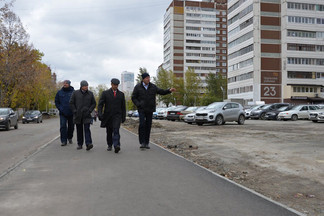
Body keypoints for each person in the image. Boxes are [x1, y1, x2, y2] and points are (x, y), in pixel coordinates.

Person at [132, 72, 175, 149]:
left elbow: (161, 92)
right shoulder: (138, 87)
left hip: (150, 109)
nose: (148, 79)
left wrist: (169, 90)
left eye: (149, 77)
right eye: (147, 78)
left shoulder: (153, 86)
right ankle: (142, 142)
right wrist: (138, 104)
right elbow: (133, 97)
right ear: (143, 79)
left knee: (148, 125)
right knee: (142, 124)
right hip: (141, 109)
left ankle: (147, 142)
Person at [98, 78, 126, 153]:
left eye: (117, 85)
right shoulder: (105, 93)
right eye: (114, 85)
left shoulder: (121, 94)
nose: (115, 86)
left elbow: (123, 107)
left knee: (116, 130)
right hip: (108, 116)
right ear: (111, 84)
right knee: (109, 131)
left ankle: (117, 145)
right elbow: (100, 105)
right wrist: (100, 114)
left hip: (117, 116)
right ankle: (109, 144)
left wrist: (123, 116)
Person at [69, 80, 96, 151]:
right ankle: (80, 144)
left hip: (87, 114)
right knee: (79, 130)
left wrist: (90, 110)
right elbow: (71, 103)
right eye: (84, 86)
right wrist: (74, 111)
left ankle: (88, 144)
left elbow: (93, 103)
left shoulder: (90, 94)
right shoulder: (75, 93)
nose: (86, 87)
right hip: (78, 115)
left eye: (87, 86)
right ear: (81, 86)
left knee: (87, 129)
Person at [55, 80, 75, 146]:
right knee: (63, 126)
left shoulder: (73, 92)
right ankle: (63, 141)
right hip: (63, 113)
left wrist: (74, 109)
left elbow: (76, 101)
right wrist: (60, 108)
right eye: (64, 83)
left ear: (69, 84)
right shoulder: (59, 92)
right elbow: (57, 102)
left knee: (71, 127)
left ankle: (70, 137)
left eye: (66, 83)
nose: (65, 84)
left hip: (71, 113)